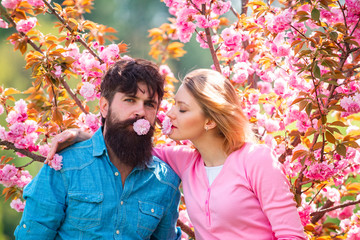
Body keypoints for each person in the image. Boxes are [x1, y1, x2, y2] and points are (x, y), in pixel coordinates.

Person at [48, 69, 307, 239]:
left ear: (209, 121)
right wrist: (81, 136)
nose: (169, 114)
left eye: (182, 109)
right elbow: (120, 144)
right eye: (173, 105)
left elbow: (291, 235)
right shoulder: (184, 162)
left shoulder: (256, 160)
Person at [15, 59, 182, 240]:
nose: (140, 112)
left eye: (149, 104)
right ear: (104, 106)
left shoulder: (166, 182)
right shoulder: (64, 166)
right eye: (130, 99)